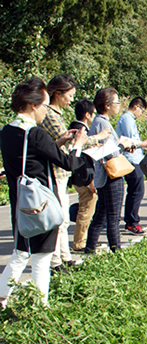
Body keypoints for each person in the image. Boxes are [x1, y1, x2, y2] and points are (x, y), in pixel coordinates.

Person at [0, 77, 87, 307]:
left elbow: (32, 155)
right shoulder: (36, 134)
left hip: (20, 201)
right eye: (43, 106)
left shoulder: (7, 131)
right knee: (41, 257)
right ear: (32, 105)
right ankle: (41, 305)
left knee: (21, 252)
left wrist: (57, 141)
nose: (44, 112)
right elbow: (69, 163)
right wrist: (77, 144)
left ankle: (2, 298)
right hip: (42, 203)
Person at [39, 74, 78, 270]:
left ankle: (65, 257)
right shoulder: (49, 114)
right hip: (54, 172)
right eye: (69, 95)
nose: (71, 99)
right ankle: (56, 262)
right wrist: (93, 138)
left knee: (64, 219)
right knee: (59, 219)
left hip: (61, 173)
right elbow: (65, 141)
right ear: (57, 94)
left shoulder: (55, 114)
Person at [85, 88, 128, 253]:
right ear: (107, 104)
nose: (118, 105)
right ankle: (116, 250)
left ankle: (90, 248)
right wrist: (124, 146)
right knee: (113, 217)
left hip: (102, 176)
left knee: (100, 215)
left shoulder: (97, 121)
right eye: (116, 102)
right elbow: (111, 151)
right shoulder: (103, 123)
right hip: (112, 174)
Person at [68, 99, 110, 252]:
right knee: (86, 212)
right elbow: (84, 161)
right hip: (85, 178)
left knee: (84, 209)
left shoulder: (73, 128)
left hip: (79, 178)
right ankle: (80, 243)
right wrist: (91, 180)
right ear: (87, 115)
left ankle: (81, 240)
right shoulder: (81, 131)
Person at [116, 97, 147, 235]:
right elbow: (130, 141)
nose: (141, 114)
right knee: (136, 191)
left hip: (135, 158)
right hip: (131, 159)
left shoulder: (128, 119)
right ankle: (132, 222)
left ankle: (131, 221)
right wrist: (144, 143)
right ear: (137, 106)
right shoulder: (127, 119)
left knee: (136, 191)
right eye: (141, 111)